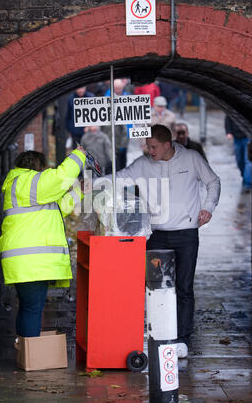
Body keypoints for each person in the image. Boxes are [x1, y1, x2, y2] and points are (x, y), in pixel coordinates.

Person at [95, 125, 221, 358]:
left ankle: (182, 339)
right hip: (156, 235)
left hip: (186, 233)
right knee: (156, 287)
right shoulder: (143, 165)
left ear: (167, 144)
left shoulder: (192, 158)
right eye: (147, 146)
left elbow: (213, 182)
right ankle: (159, 333)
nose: (149, 150)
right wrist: (93, 184)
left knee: (184, 288)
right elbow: (119, 179)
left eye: (153, 146)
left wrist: (208, 207)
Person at [0, 147, 86, 338]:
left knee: (28, 307)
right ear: (38, 168)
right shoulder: (27, 182)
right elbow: (60, 176)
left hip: (26, 261)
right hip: (31, 261)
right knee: (33, 308)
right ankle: (31, 357)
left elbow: (58, 208)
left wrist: (79, 190)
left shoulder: (26, 188)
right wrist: (78, 155)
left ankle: (25, 353)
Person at [225, 115, 252, 192]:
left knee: (248, 161)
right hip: (237, 137)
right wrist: (229, 132)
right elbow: (228, 119)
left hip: (248, 137)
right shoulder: (233, 109)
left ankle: (247, 184)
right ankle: (245, 176)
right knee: (239, 160)